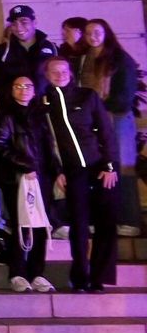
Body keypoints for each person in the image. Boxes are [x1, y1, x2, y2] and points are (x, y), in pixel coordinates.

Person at [41, 57, 119, 292]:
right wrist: (57, 172)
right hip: (73, 172)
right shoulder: (44, 103)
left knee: (106, 223)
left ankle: (99, 277)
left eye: (63, 70)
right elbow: (45, 143)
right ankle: (80, 275)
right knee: (79, 224)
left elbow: (106, 131)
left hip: (100, 168)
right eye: (54, 71)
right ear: (46, 75)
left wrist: (110, 166)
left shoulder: (87, 96)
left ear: (70, 72)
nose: (60, 74)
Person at [0, 77, 58, 294]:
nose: (23, 90)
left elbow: (49, 146)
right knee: (21, 225)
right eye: (17, 86)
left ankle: (37, 272)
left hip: (42, 179)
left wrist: (57, 172)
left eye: (28, 86)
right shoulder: (5, 115)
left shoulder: (40, 115)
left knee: (40, 225)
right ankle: (17, 273)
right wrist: (25, 166)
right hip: (18, 180)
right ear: (11, 90)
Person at [77, 18, 141, 234]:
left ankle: (129, 219)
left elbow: (125, 95)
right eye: (88, 33)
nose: (92, 36)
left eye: (97, 32)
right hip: (93, 120)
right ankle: (104, 218)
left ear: (106, 33)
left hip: (117, 119)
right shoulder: (85, 60)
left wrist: (100, 106)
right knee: (97, 168)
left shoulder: (120, 59)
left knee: (121, 167)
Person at [0, 5, 58, 99]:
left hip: (45, 106)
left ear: (34, 22)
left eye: (24, 22)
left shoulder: (51, 48)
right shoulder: (2, 51)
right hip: (13, 108)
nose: (18, 28)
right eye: (14, 24)